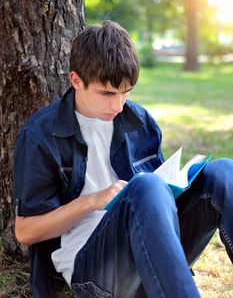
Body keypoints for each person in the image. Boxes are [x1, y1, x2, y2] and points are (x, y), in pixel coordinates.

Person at [13, 20, 233, 298]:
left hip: (153, 255)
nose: (118, 105)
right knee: (146, 186)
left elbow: (158, 204)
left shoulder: (139, 121)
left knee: (224, 172)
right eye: (107, 93)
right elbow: (25, 232)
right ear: (76, 80)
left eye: (125, 93)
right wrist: (93, 201)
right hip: (93, 270)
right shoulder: (41, 135)